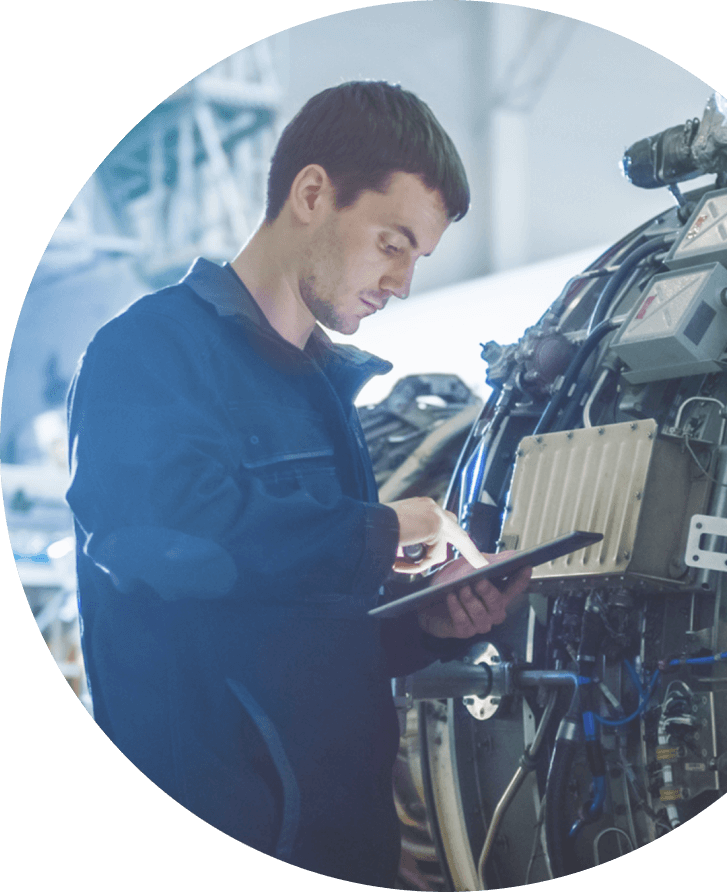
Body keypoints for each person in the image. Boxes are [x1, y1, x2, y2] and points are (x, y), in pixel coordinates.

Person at [65, 81, 531, 884]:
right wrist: (383, 532)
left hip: (346, 838)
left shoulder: (321, 391)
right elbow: (157, 536)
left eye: (417, 258)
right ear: (312, 193)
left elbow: (316, 622)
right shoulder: (149, 348)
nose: (403, 282)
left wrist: (435, 628)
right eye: (392, 242)